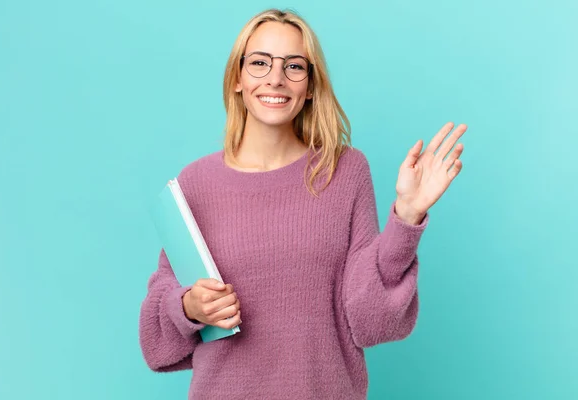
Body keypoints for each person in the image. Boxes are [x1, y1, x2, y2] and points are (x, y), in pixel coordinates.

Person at [138, 8, 466, 400]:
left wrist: (407, 219)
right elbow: (157, 341)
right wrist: (189, 306)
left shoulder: (344, 171)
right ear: (238, 79)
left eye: (294, 66)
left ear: (310, 85)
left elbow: (370, 321)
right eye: (259, 63)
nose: (275, 78)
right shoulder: (194, 183)